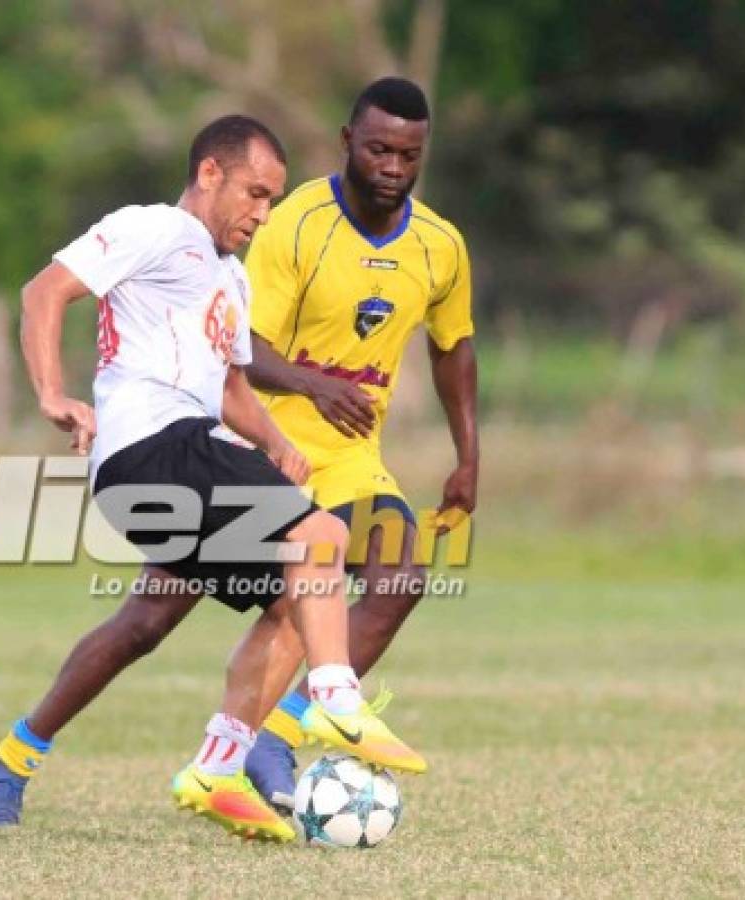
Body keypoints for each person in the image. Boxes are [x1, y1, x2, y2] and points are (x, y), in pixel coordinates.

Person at [0, 115, 425, 843]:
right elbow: (42, 293)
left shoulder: (228, 278)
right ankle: (335, 698)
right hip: (154, 446)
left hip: (185, 454)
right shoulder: (152, 228)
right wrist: (51, 392)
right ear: (209, 173)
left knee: (284, 605)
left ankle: (200, 766)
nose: (261, 214)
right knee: (322, 536)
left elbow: (231, 385)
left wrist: (273, 442)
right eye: (254, 194)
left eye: (272, 201)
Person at [240, 78, 479, 811]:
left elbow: (453, 348)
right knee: (149, 621)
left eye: (409, 154)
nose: (393, 167)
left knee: (400, 578)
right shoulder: (296, 224)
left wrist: (468, 455)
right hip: (260, 444)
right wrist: (314, 384)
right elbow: (238, 346)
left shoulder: (439, 246)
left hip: (348, 459)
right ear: (347, 141)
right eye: (378, 148)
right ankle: (17, 758)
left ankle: (275, 739)